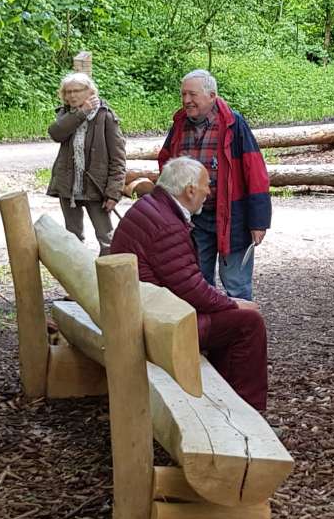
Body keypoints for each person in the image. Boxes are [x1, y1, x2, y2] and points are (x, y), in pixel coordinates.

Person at [107, 158, 269, 411]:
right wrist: (233, 304)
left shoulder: (151, 206)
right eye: (206, 185)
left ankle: (224, 396)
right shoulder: (167, 225)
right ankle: (248, 409)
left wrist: (227, 303)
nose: (209, 192)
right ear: (190, 190)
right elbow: (190, 290)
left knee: (231, 320)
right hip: (154, 323)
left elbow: (184, 283)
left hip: (141, 309)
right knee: (249, 322)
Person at [154, 69, 271, 299]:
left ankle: (241, 321)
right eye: (183, 94)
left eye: (192, 94)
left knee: (236, 285)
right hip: (193, 219)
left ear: (211, 96)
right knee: (197, 282)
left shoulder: (233, 124)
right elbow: (165, 165)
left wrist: (259, 221)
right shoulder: (179, 124)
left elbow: (256, 172)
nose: (186, 100)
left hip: (232, 217)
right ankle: (205, 322)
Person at [46, 70, 127, 251]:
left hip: (96, 187)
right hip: (69, 187)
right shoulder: (65, 114)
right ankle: (77, 269)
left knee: (106, 238)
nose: (72, 95)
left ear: (90, 91)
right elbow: (56, 133)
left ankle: (108, 269)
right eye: (68, 92)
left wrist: (114, 192)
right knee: (73, 238)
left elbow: (118, 158)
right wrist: (81, 113)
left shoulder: (105, 116)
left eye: (76, 91)